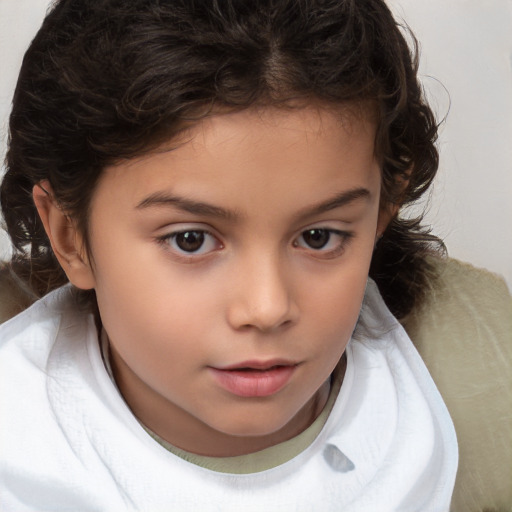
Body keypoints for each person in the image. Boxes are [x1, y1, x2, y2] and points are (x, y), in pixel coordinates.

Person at [0, 0, 461, 510]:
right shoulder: (20, 447)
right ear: (70, 235)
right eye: (190, 240)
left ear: (381, 213)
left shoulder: (481, 384)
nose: (266, 308)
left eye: (319, 236)